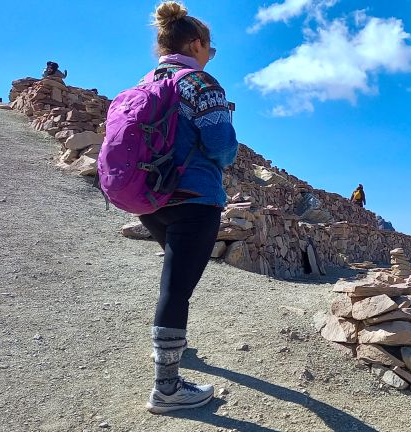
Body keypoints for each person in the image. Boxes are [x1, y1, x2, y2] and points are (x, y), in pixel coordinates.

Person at [139, 1, 238, 414]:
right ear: (196, 43)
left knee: (172, 283)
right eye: (209, 49)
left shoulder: (147, 81)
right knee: (176, 290)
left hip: (149, 198)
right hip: (193, 199)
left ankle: (170, 349)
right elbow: (221, 147)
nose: (209, 56)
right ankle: (167, 387)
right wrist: (228, 150)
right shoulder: (201, 83)